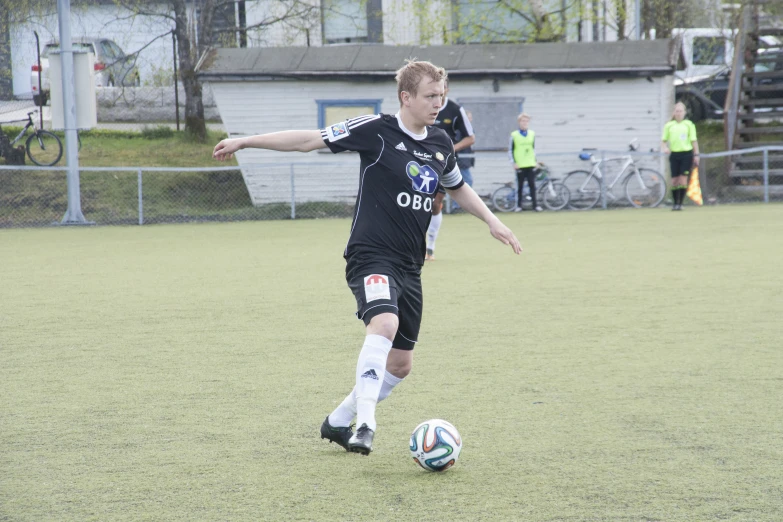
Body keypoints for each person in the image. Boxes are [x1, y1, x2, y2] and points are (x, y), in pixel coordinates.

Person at [212, 60, 521, 456]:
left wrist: (493, 223)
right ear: (405, 97)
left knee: (400, 366)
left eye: (441, 96)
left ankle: (338, 422)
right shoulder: (375, 130)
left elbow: (457, 187)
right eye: (430, 96)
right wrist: (246, 141)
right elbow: (309, 140)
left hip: (411, 266)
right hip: (371, 255)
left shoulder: (441, 143)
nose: (438, 104)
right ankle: (366, 424)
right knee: (384, 322)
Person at [426, 79, 476, 260]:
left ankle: (429, 247)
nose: (439, 92)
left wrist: (449, 149)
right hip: (418, 161)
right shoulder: (422, 105)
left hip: (441, 164)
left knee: (434, 204)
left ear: (446, 89)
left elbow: (470, 138)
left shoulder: (455, 110)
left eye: (443, 88)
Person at [661, 101, 700, 211]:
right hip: (674, 154)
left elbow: (694, 140)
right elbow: (663, 141)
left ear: (684, 112)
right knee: (674, 180)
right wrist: (665, 148)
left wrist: (696, 154)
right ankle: (675, 203)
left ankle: (680, 203)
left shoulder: (689, 124)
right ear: (674, 112)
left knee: (683, 179)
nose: (678, 113)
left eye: (680, 111)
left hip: (686, 154)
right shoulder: (669, 125)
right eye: (677, 111)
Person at [509, 113, 542, 212]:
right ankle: (519, 205)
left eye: (527, 121)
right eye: (523, 121)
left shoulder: (532, 134)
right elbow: (510, 150)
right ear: (519, 122)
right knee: (520, 186)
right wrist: (513, 162)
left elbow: (533, 148)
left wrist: (535, 161)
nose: (525, 123)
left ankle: (535, 205)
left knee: (532, 185)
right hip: (520, 165)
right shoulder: (514, 135)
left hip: (530, 163)